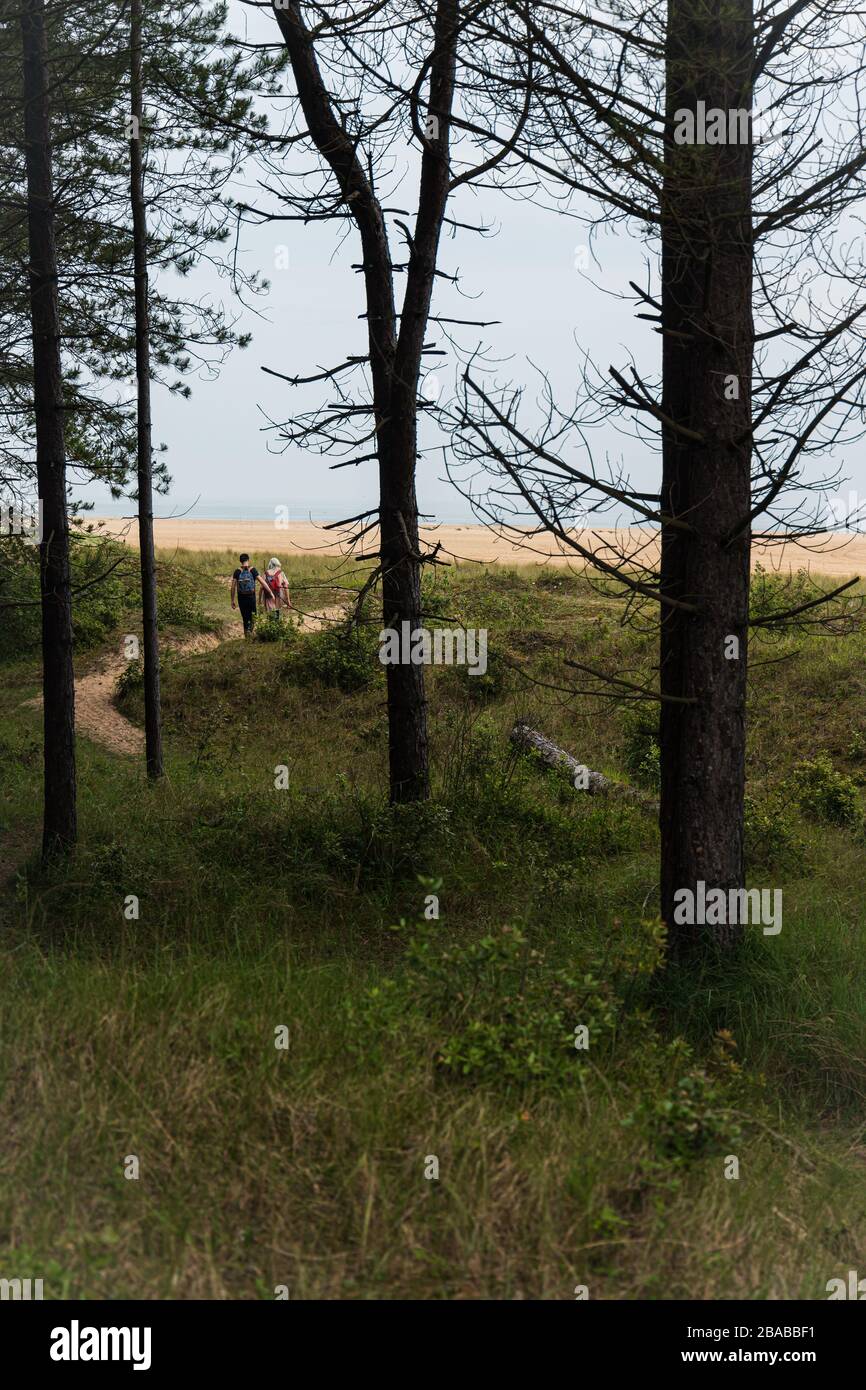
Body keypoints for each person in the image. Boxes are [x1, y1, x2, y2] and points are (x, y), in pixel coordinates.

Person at [230, 554, 268, 635]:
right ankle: (251, 633)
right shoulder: (252, 570)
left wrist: (232, 600)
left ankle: (247, 636)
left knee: (245, 618)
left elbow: (233, 587)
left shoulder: (237, 571)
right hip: (251, 597)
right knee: (253, 616)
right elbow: (262, 582)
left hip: (241, 598)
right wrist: (271, 593)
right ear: (248, 560)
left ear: (240, 561)